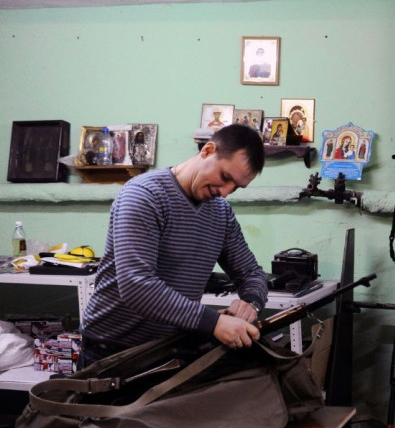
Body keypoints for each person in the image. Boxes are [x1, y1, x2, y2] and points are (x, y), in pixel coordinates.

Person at [80, 124, 268, 367]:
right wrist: (213, 322)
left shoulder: (221, 213)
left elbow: (252, 273)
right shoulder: (144, 195)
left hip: (171, 347)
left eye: (236, 188)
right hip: (113, 352)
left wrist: (251, 304)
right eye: (225, 177)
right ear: (208, 150)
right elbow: (137, 286)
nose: (224, 192)